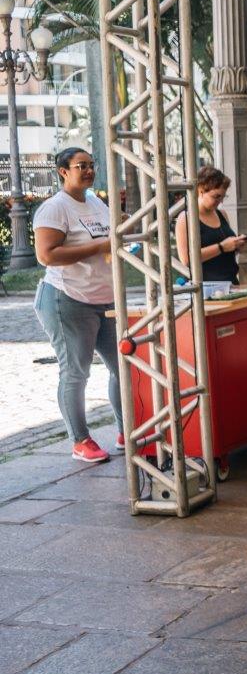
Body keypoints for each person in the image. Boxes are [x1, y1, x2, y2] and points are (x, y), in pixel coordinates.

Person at [32, 148, 124, 464]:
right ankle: (80, 440)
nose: (88, 170)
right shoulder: (54, 209)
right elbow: (46, 255)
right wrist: (100, 246)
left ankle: (127, 431)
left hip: (104, 299)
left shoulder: (96, 202)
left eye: (91, 165)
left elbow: (110, 240)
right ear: (62, 171)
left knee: (123, 367)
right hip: (67, 300)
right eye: (80, 166)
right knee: (76, 372)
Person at [175, 166, 246, 284]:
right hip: (205, 286)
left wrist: (236, 245)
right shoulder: (186, 218)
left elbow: (226, 248)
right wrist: (221, 247)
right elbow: (187, 259)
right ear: (201, 191)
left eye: (223, 197)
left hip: (230, 282)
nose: (220, 201)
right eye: (216, 196)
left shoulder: (221, 214)